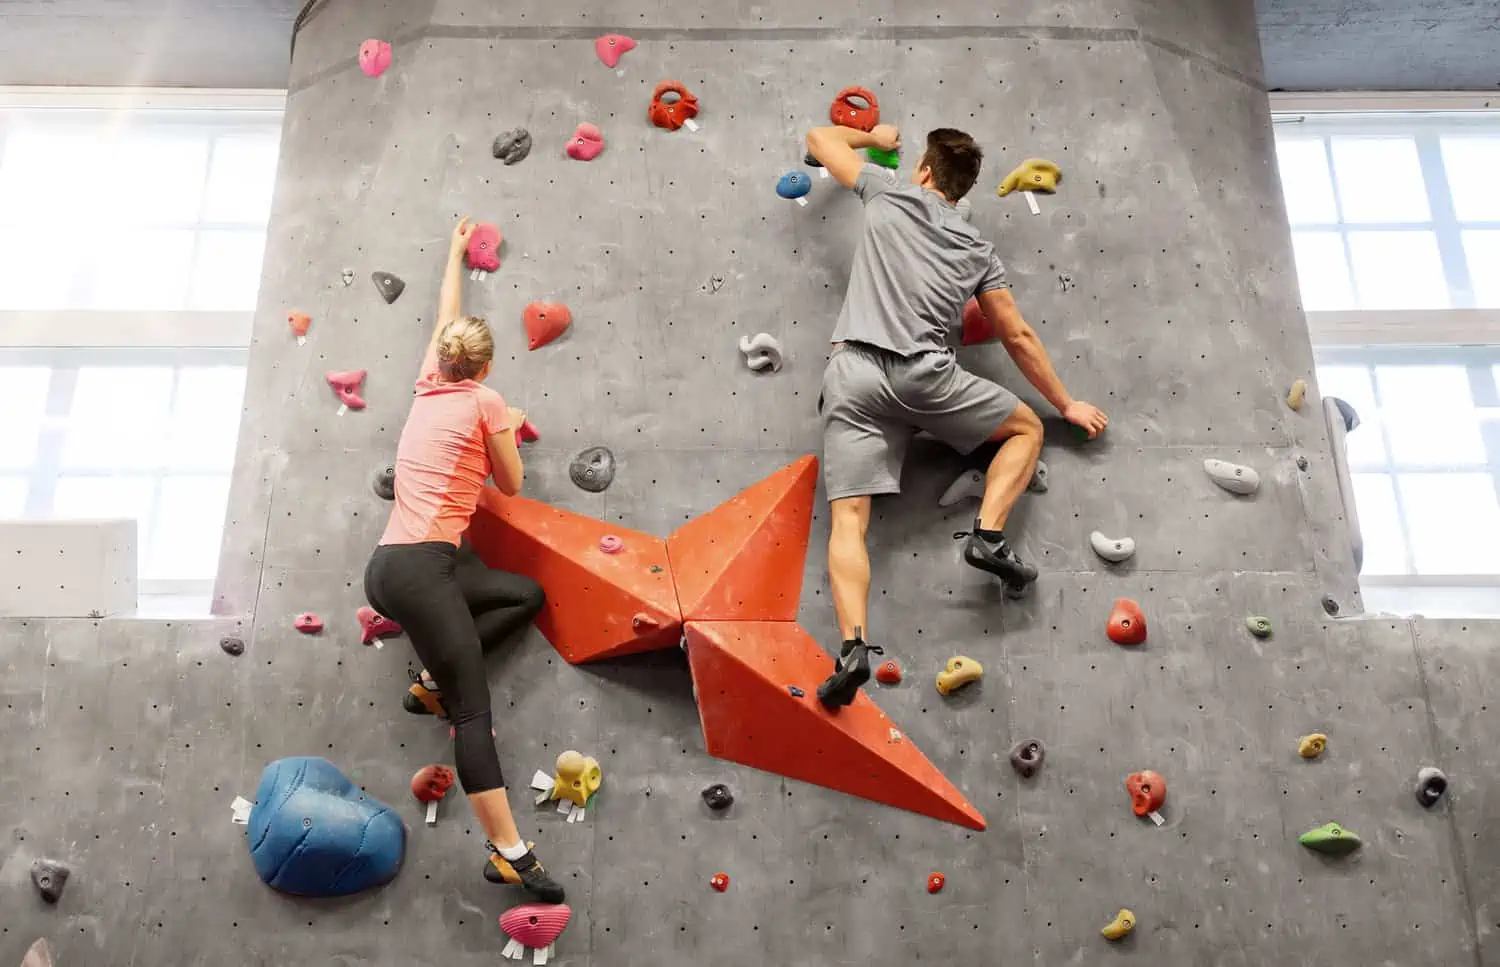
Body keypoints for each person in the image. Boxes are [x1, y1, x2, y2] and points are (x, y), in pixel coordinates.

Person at [804, 123, 1109, 709]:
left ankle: (852, 647)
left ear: (922, 170)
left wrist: (870, 135)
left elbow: (818, 138)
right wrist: (1066, 403)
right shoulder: (977, 249)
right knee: (1027, 428)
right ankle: (988, 537)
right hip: (926, 376)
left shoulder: (886, 190)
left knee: (850, 524)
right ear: (963, 189)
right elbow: (1014, 334)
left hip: (854, 374)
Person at [363, 216, 565, 903]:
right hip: (422, 570)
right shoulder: (484, 399)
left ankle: (427, 681)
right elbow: (510, 483)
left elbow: (446, 312)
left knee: (522, 596)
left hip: (397, 567)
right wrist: (502, 425)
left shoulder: (430, 381)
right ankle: (511, 851)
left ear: (444, 358)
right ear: (484, 367)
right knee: (472, 711)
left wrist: (452, 251)